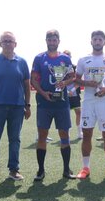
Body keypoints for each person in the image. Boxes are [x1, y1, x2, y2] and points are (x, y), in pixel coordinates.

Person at [0, 31, 31, 183]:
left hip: (17, 107)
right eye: (5, 41)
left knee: (15, 139)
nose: (8, 43)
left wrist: (27, 106)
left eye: (10, 41)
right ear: (0, 44)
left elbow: (27, 86)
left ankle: (14, 170)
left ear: (16, 44)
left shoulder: (22, 62)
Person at [74, 30, 105, 180]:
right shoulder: (83, 60)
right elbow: (76, 79)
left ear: (104, 42)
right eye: (95, 39)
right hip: (88, 102)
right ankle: (85, 168)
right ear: (91, 41)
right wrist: (87, 83)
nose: (98, 41)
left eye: (100, 39)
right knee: (87, 134)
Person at [31, 29, 76, 181]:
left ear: (58, 41)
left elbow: (72, 77)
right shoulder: (39, 58)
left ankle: (66, 170)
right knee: (42, 135)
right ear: (46, 41)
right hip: (44, 102)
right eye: (49, 40)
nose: (52, 42)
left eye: (54, 39)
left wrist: (64, 82)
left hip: (62, 102)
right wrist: (43, 93)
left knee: (64, 135)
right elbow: (34, 80)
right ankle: (41, 170)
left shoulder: (65, 59)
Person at [63, 50, 83, 140]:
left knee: (78, 112)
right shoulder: (60, 68)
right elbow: (58, 81)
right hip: (64, 94)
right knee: (65, 114)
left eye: (68, 56)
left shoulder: (76, 67)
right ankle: (67, 133)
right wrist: (65, 91)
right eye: (65, 56)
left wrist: (73, 89)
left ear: (71, 57)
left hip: (74, 93)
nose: (67, 57)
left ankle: (79, 132)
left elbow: (79, 81)